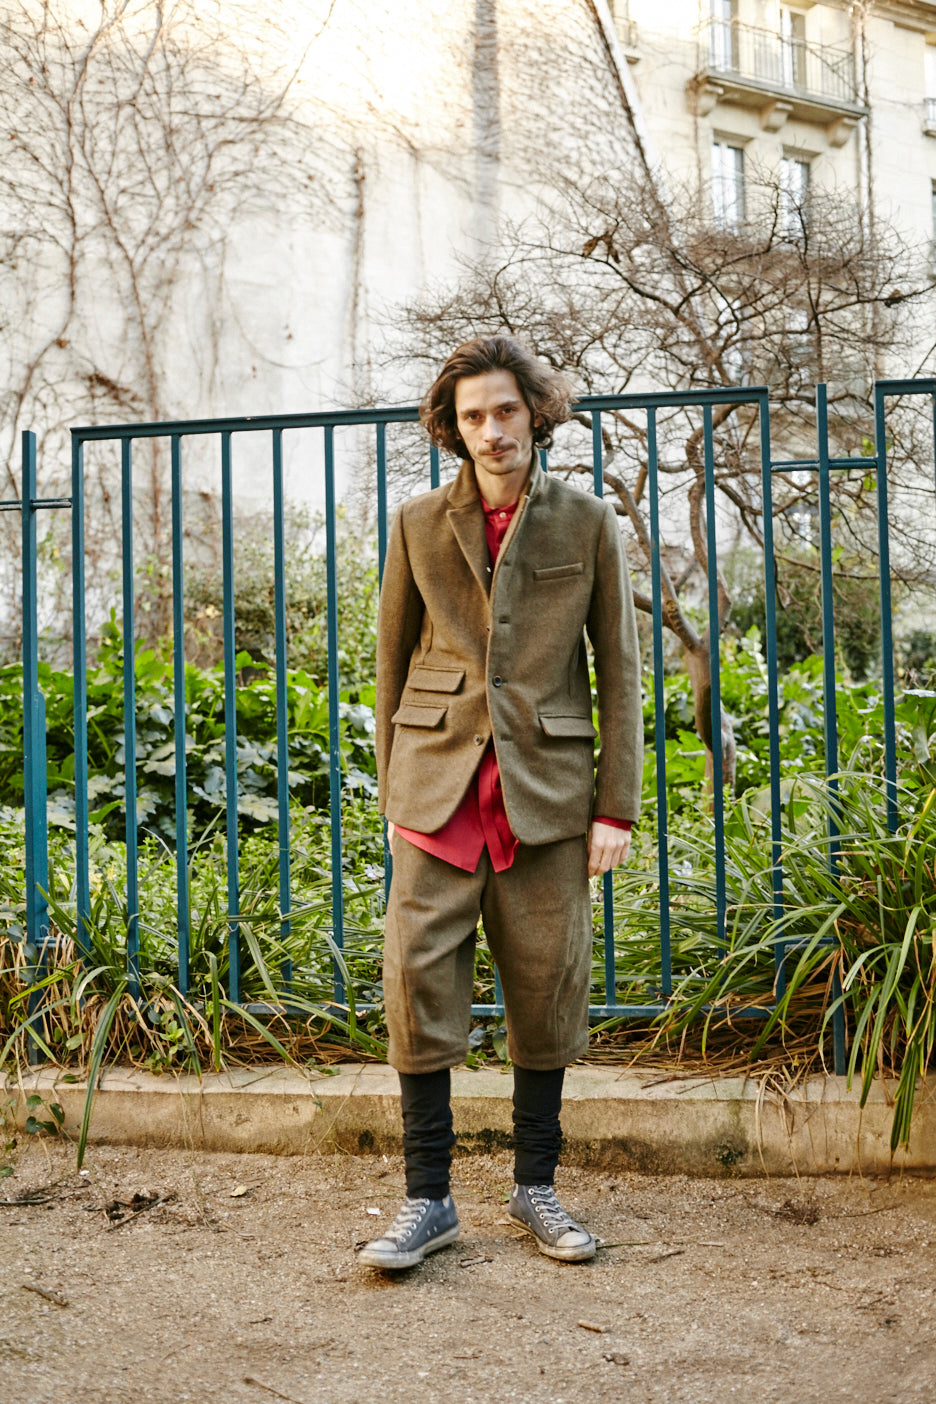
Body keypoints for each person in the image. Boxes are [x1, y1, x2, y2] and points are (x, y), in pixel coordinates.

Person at [359, 335, 642, 1271]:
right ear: (454, 427)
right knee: (416, 984)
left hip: (545, 796)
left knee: (546, 984)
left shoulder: (587, 522)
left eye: (506, 410)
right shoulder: (416, 524)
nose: (492, 430)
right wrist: (396, 791)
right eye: (473, 415)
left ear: (535, 414)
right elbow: (390, 663)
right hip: (436, 792)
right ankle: (427, 1200)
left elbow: (619, 672)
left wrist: (615, 807)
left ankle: (535, 1188)